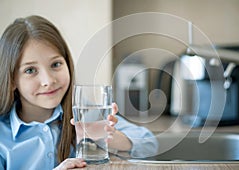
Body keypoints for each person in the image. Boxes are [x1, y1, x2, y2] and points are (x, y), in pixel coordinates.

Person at [0, 15, 158, 170]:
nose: (48, 80)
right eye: (30, 70)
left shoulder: (85, 116)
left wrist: (111, 138)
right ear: (12, 79)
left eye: (56, 64)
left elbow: (150, 143)